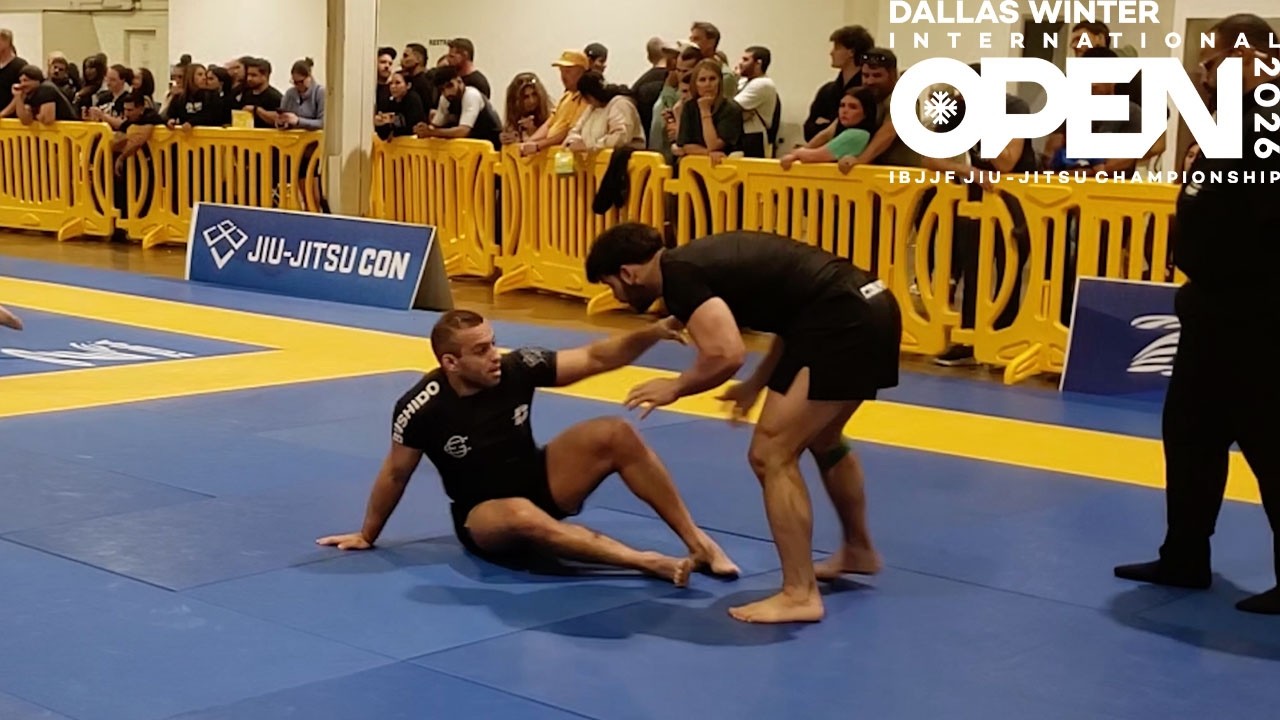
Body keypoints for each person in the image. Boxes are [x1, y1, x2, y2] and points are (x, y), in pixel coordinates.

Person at [585, 225, 901, 623]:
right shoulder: (697, 261)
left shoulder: (679, 277)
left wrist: (677, 386)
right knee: (824, 437)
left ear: (628, 272)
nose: (616, 296)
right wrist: (756, 384)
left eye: (610, 284)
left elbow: (725, 354)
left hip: (843, 319)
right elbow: (793, 319)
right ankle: (858, 549)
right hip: (870, 305)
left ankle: (799, 594)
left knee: (771, 454)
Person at [317, 309, 739, 585]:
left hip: (538, 480)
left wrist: (651, 333)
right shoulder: (422, 407)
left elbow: (595, 357)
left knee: (615, 432)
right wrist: (367, 534)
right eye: (481, 350)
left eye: (493, 342)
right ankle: (644, 561)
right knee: (519, 513)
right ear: (451, 362)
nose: (495, 355)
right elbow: (395, 472)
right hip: (485, 516)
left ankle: (698, 542)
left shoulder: (516, 367)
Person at [1114, 13, 1280, 615]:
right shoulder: (1224, 125)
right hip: (1209, 311)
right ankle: (1184, 555)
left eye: (1214, 61)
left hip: (1258, 317)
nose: (1205, 73)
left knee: (1270, 446)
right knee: (1188, 436)